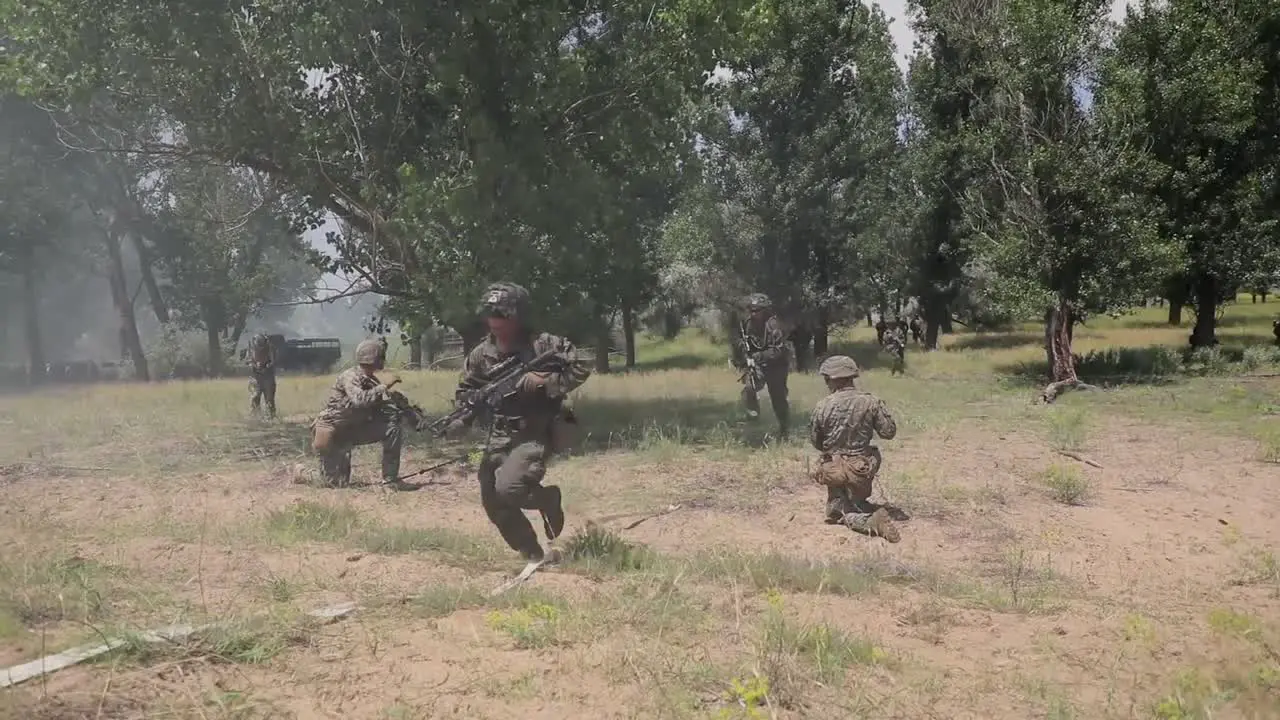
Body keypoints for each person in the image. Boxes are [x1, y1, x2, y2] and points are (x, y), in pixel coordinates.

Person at [452, 282, 591, 569]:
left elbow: (582, 365)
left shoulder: (543, 344)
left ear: (518, 315)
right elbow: (466, 390)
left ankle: (549, 499)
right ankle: (530, 552)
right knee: (492, 498)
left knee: (510, 488)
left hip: (536, 430)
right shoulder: (481, 354)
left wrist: (545, 382)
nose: (496, 321)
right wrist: (464, 414)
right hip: (500, 433)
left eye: (503, 314)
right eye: (491, 314)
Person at [809, 355, 900, 543]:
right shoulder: (871, 401)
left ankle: (867, 521)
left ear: (831, 379)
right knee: (853, 501)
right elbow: (888, 432)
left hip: (833, 471)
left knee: (836, 512)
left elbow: (817, 442)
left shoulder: (823, 406)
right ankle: (860, 506)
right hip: (861, 468)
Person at [309, 339, 416, 488]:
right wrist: (384, 387)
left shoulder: (370, 380)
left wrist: (402, 406)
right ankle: (303, 473)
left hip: (352, 429)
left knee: (392, 429)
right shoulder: (351, 376)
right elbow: (360, 400)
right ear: (375, 359)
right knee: (335, 483)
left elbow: (378, 404)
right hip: (334, 432)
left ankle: (391, 480)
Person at [731, 293, 790, 437]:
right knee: (749, 388)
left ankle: (784, 429)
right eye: (751, 310)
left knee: (778, 398)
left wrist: (758, 356)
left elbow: (778, 350)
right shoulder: (747, 324)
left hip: (777, 366)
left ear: (765, 310)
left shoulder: (773, 325)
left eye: (757, 310)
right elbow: (739, 341)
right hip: (757, 364)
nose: (753, 313)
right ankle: (753, 416)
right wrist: (743, 353)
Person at [247, 333, 277, 418]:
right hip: (255, 376)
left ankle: (271, 417)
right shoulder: (251, 348)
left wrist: (266, 366)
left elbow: (273, 361)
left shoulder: (270, 348)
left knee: (269, 398)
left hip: (268, 375)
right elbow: (249, 360)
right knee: (255, 397)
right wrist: (255, 365)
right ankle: (255, 417)